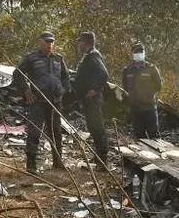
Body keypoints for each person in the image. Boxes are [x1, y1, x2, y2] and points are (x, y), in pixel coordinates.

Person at [13, 31, 70, 174]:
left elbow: (66, 76)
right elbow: (17, 74)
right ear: (40, 42)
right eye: (47, 42)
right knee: (34, 132)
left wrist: (63, 89)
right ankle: (31, 165)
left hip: (55, 101)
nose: (50, 45)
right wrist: (26, 90)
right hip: (38, 101)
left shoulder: (58, 58)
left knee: (56, 132)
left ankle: (58, 161)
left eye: (52, 42)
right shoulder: (31, 59)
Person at [73, 30, 110, 167]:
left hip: (93, 100)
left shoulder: (93, 57)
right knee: (93, 128)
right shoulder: (88, 56)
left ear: (85, 42)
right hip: (88, 100)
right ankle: (98, 158)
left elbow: (104, 74)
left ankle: (102, 160)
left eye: (80, 42)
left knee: (97, 128)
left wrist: (94, 91)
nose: (79, 45)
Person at [121, 42, 163, 140]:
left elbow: (159, 86)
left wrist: (147, 94)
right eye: (136, 52)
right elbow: (125, 87)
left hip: (149, 109)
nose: (139, 54)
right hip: (135, 110)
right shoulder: (127, 70)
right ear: (132, 54)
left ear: (144, 53)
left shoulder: (152, 69)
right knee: (139, 138)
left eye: (141, 52)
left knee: (155, 137)